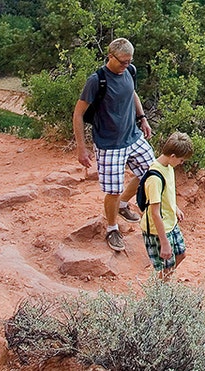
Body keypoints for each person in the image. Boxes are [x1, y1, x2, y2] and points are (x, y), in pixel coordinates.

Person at [72, 37, 154, 252]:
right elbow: (78, 114)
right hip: (109, 144)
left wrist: (142, 118)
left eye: (129, 61)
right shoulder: (97, 80)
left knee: (151, 172)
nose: (126, 65)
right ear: (110, 56)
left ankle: (124, 205)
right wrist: (82, 147)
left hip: (133, 136)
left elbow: (132, 92)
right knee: (113, 190)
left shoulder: (130, 71)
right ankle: (112, 228)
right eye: (123, 62)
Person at [140, 131, 192, 279]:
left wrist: (174, 208)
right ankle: (159, 292)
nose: (181, 163)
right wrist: (164, 242)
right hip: (158, 229)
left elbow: (166, 194)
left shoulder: (168, 167)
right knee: (167, 264)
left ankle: (162, 283)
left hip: (170, 222)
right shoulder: (154, 178)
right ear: (173, 156)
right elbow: (155, 212)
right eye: (181, 160)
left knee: (181, 254)